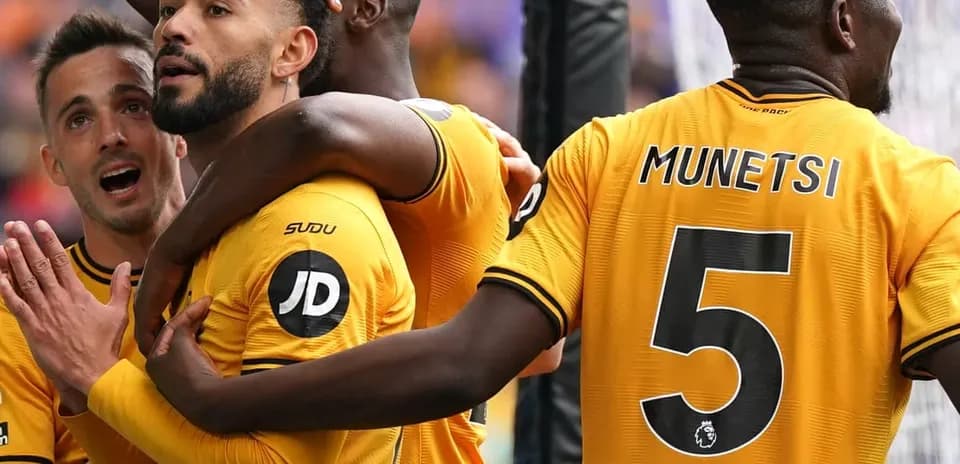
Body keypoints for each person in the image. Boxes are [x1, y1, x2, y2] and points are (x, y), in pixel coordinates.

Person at [133, 0, 960, 462]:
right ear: (843, 19)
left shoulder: (609, 150)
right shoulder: (916, 189)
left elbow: (465, 361)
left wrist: (218, 398)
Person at [124, 1, 557, 462]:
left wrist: (170, 252)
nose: (178, 23)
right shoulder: (277, 163)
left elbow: (314, 126)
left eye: (216, 10)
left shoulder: (455, 137)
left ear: (365, 8)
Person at [2, 1, 418, 463]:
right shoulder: (216, 235)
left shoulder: (309, 232)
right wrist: (83, 391)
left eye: (217, 9)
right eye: (168, 9)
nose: (173, 26)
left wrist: (99, 376)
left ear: (291, 52)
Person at [0, 12, 185, 464]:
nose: (110, 137)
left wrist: (94, 380)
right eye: (79, 119)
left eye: (133, 106)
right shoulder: (22, 315)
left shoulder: (251, 258)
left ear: (179, 130)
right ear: (54, 165)